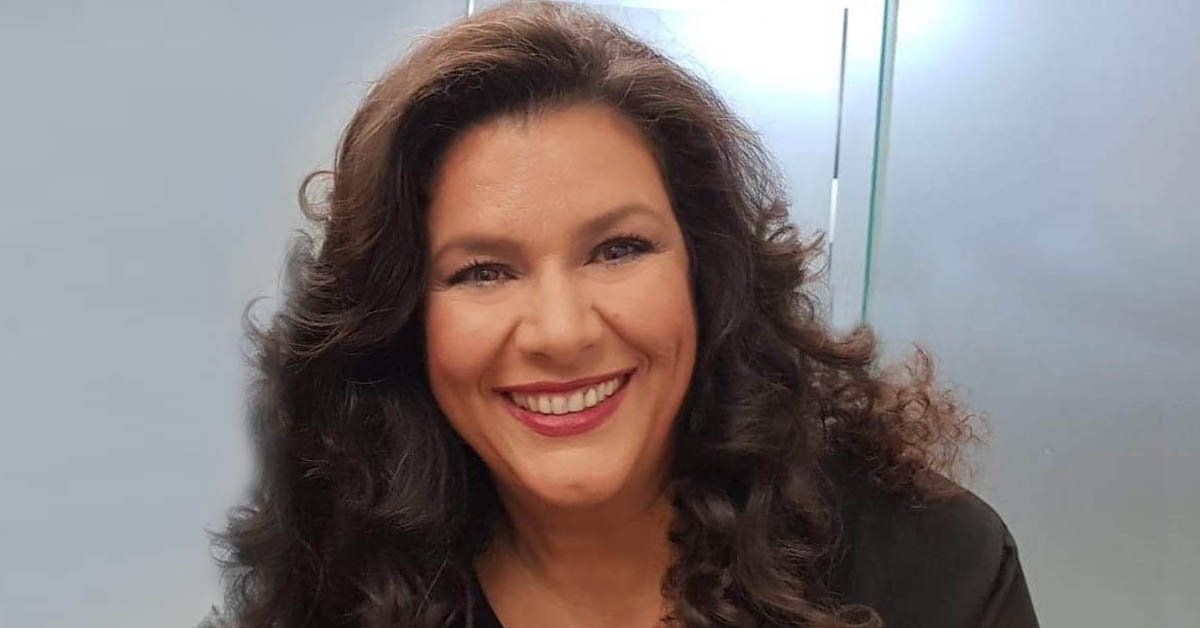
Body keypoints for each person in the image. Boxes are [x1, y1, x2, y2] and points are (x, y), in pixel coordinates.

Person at [205, 1, 1039, 626]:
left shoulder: (936, 568)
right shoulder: (321, 589)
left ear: (706, 274)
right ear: (402, 324)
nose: (562, 332)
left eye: (617, 250)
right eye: (482, 272)